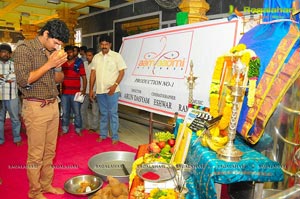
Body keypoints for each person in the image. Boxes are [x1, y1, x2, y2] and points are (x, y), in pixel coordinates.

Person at [13, 19, 69, 199]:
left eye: (60, 44)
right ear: (46, 34)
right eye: (56, 42)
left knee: (50, 151)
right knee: (36, 154)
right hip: (35, 106)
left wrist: (58, 66)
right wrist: (49, 64)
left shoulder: (51, 51)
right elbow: (23, 80)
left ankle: (46, 185)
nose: (57, 47)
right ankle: (34, 191)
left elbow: (58, 79)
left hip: (53, 105)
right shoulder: (24, 49)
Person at [89, 35, 127, 144]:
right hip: (100, 91)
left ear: (110, 45)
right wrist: (91, 89)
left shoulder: (116, 56)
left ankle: (115, 137)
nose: (104, 46)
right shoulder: (96, 57)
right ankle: (103, 134)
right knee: (104, 114)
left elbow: (122, 72)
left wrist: (115, 86)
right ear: (100, 45)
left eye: (106, 44)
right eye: (102, 44)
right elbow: (93, 73)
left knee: (113, 114)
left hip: (112, 91)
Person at [60, 45, 86, 135]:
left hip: (76, 93)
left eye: (70, 52)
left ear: (74, 52)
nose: (69, 54)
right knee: (65, 112)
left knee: (77, 113)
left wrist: (84, 90)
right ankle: (64, 129)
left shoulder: (79, 63)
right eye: (67, 52)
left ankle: (78, 129)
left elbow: (84, 77)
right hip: (64, 93)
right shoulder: (62, 63)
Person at [0, 43, 22, 146]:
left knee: (15, 118)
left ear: (10, 54)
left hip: (12, 96)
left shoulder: (15, 65)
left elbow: (17, 76)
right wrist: (8, 78)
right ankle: (0, 139)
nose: (4, 54)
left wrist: (2, 77)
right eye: (2, 52)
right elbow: (11, 77)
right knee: (0, 119)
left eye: (7, 52)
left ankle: (17, 138)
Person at [81, 48, 99, 133]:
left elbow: (98, 78)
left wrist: (96, 90)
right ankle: (84, 125)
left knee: (94, 110)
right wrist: (81, 89)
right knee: (83, 109)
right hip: (84, 90)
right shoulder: (84, 64)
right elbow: (82, 77)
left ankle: (94, 127)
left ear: (94, 56)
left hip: (94, 90)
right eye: (86, 55)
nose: (87, 57)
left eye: (90, 55)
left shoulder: (97, 65)